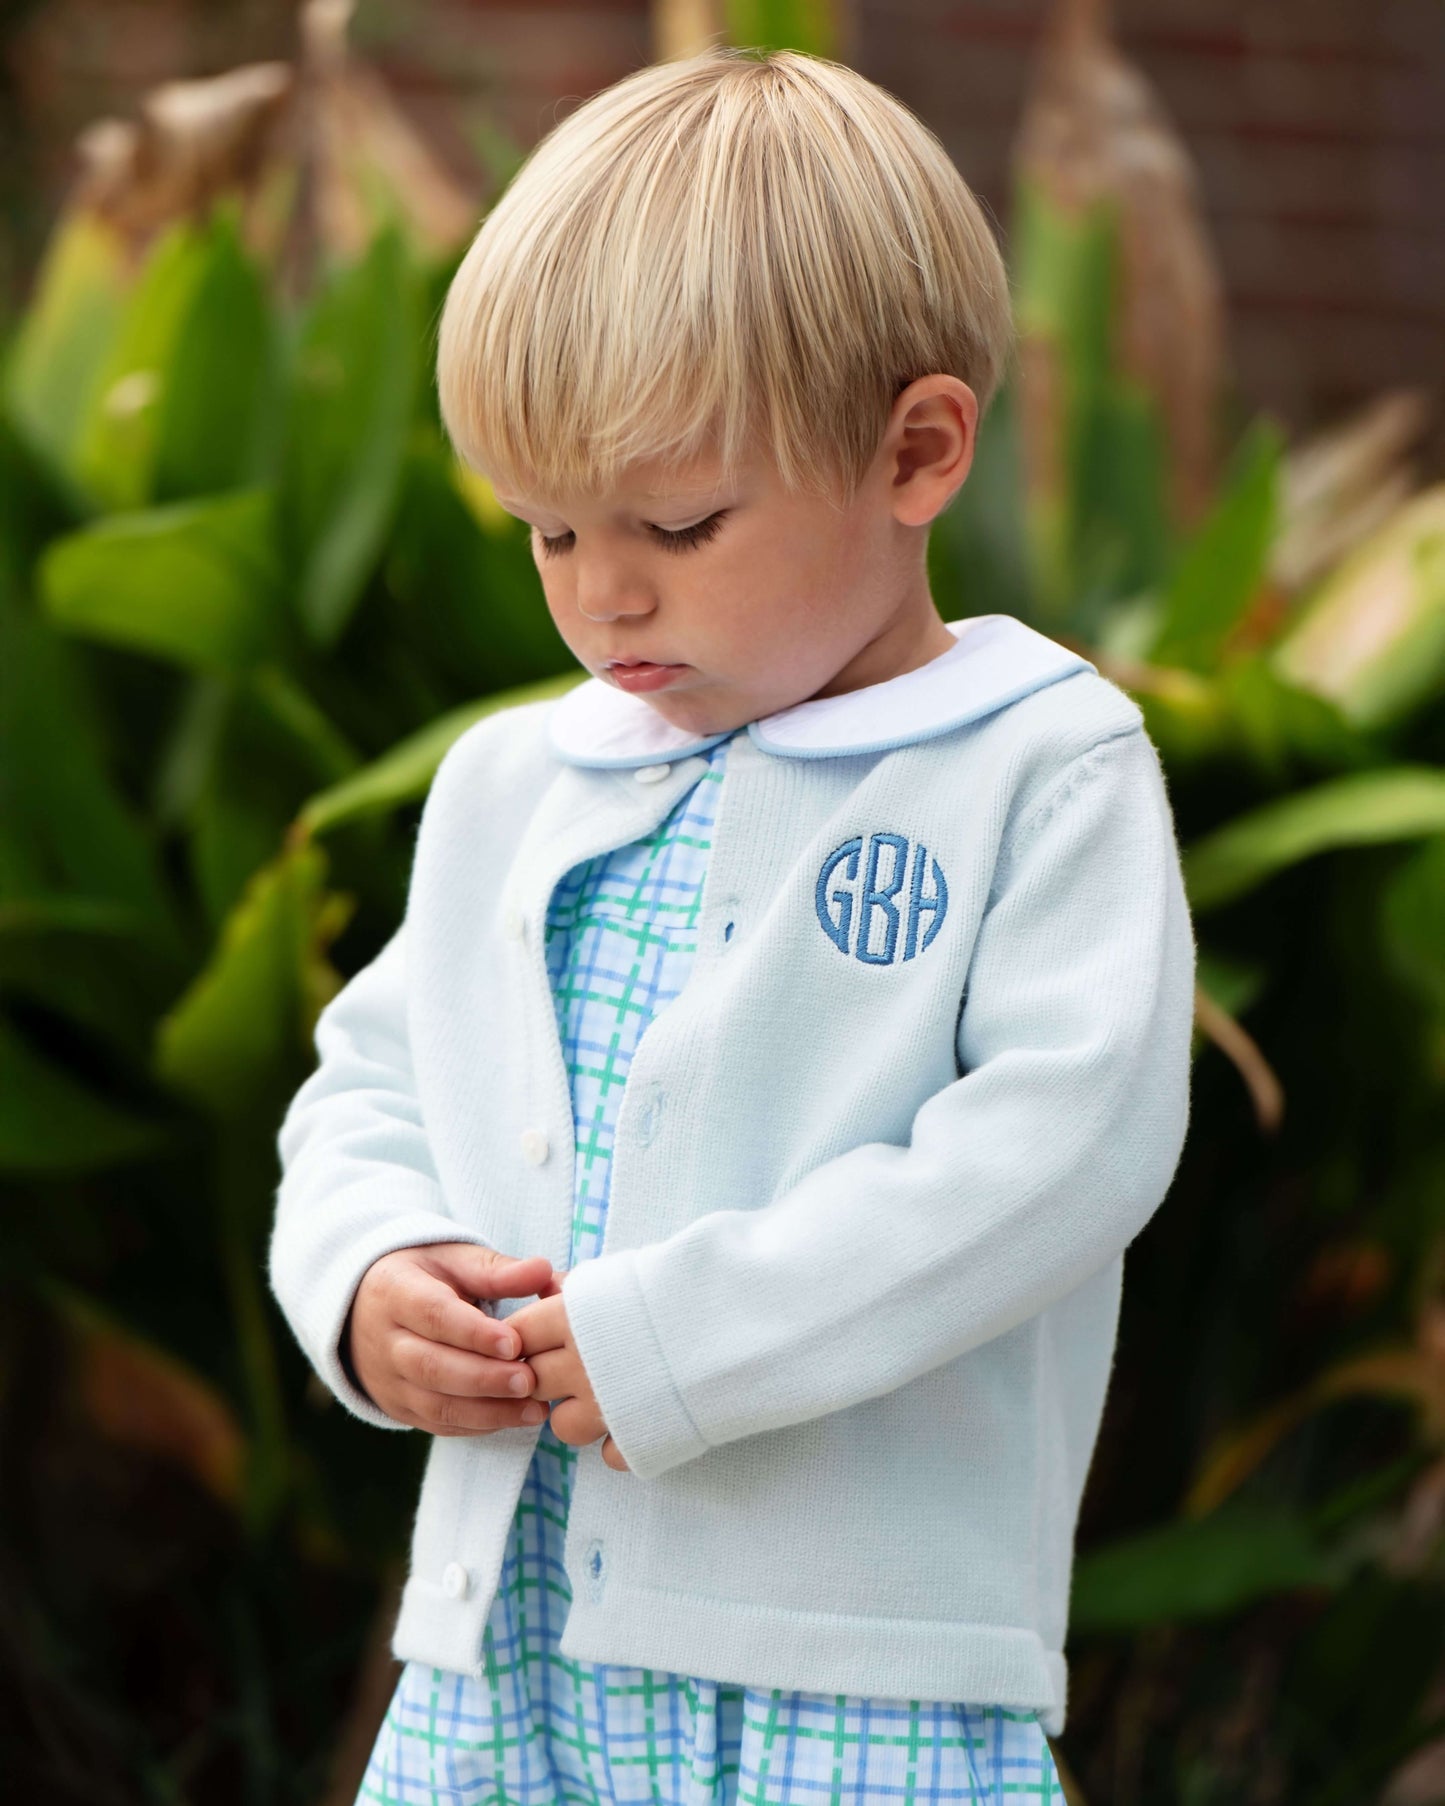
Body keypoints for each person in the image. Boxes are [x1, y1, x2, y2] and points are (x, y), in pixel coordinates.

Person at [268, 43, 1197, 1806]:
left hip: (857, 1667)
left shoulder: (1033, 769)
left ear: (915, 451)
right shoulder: (510, 782)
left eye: (677, 524)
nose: (602, 592)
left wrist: (684, 1340)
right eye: (547, 531)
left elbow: (1059, 1146)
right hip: (506, 1649)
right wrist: (369, 1274)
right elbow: (370, 1087)